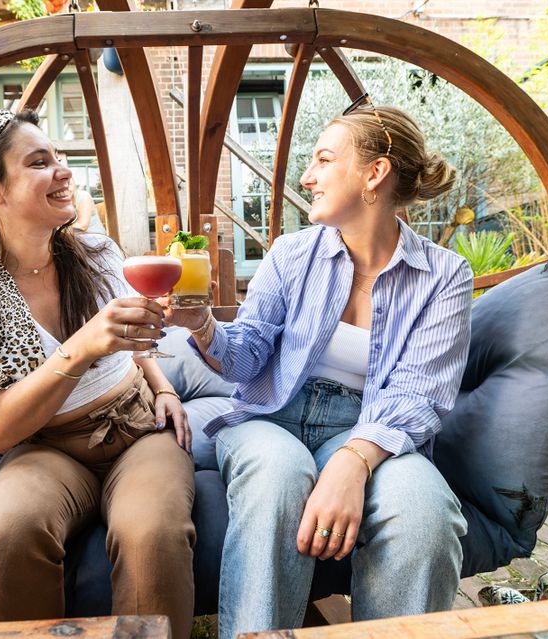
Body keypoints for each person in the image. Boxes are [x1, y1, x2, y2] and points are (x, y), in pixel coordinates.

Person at [165, 98, 473, 639]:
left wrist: (353, 462)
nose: (307, 177)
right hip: (273, 417)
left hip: (370, 429)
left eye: (324, 160)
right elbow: (246, 358)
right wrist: (202, 324)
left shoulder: (444, 275)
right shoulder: (291, 254)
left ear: (374, 173)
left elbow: (420, 393)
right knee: (279, 475)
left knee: (424, 515)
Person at [0, 108, 196, 639]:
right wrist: (83, 345)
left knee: (151, 532)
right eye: (40, 162)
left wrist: (162, 387)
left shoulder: (98, 254)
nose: (64, 171)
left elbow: (134, 343)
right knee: (0, 534)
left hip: (137, 429)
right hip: (44, 445)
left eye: (60, 158)